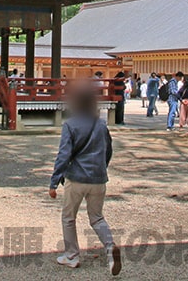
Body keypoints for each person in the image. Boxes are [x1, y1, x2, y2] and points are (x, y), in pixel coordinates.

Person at [49, 84, 121, 275]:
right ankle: (109, 247)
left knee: (68, 217)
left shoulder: (70, 125)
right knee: (97, 217)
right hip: (98, 178)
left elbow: (63, 155)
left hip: (76, 177)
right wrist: (101, 169)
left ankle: (72, 256)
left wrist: (54, 182)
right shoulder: (101, 125)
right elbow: (109, 150)